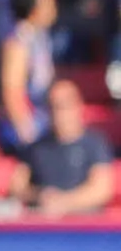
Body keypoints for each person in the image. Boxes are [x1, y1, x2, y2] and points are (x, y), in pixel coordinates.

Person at [20, 75, 117, 217]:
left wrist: (64, 202)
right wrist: (39, 195)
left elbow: (101, 189)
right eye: (53, 106)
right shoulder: (37, 146)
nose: (58, 113)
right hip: (44, 228)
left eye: (64, 105)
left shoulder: (94, 144)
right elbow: (18, 186)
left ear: (78, 105)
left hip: (85, 227)